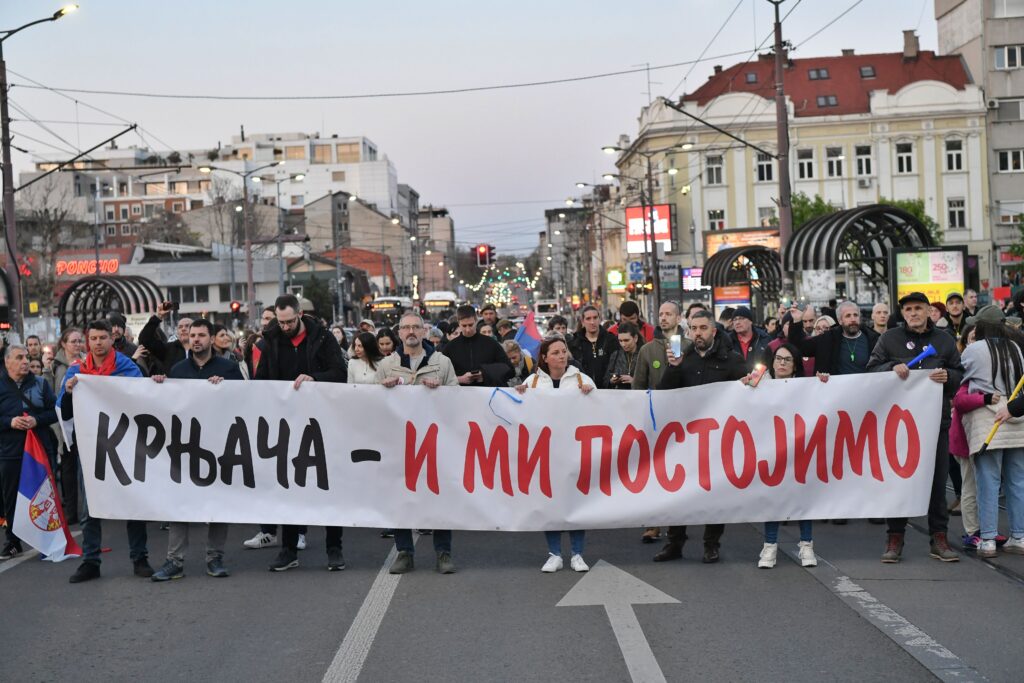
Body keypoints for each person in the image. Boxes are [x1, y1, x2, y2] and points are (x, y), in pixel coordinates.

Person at [867, 291, 963, 563]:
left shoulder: (943, 341)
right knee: (899, 480)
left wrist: (949, 377)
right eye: (908, 310)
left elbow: (959, 374)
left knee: (936, 482)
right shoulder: (889, 339)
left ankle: (939, 538)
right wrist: (891, 367)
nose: (913, 314)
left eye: (918, 309)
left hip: (935, 424)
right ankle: (895, 537)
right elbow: (871, 370)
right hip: (898, 426)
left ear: (929, 311)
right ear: (903, 314)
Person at [255, 295, 347, 572]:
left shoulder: (322, 338)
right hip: (287, 424)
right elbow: (261, 381)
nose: (285, 327)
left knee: (328, 485)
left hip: (322, 422)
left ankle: (334, 548)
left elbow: (340, 373)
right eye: (280, 322)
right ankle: (289, 549)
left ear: (299, 315)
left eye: (289, 322)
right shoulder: (270, 340)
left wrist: (314, 379)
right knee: (289, 486)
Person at [148, 319, 244, 580]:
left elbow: (246, 401)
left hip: (219, 447)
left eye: (202, 335)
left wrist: (225, 388)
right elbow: (168, 404)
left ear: (212, 338)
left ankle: (215, 558)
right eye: (192, 335)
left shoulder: (229, 368)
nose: (196, 339)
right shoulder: (178, 370)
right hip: (185, 448)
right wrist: (159, 385)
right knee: (179, 503)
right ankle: (174, 561)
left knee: (217, 504)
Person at [60, 320, 152, 583]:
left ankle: (140, 557)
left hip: (124, 446)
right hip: (90, 449)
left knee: (132, 503)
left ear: (112, 340)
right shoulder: (76, 370)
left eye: (103, 338)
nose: (98, 343)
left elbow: (141, 399)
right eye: (93, 338)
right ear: (88, 342)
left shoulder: (127, 367)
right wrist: (68, 393)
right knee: (91, 510)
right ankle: (91, 561)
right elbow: (63, 411)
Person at [656, 310, 747, 563]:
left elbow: (748, 394)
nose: (698, 333)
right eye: (693, 328)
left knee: (713, 493)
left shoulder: (732, 360)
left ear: (713, 331)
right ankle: (675, 542)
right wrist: (673, 369)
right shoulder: (684, 360)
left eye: (703, 328)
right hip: (685, 439)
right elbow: (665, 393)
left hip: (717, 440)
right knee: (678, 492)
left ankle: (711, 543)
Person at [377, 312, 459, 574]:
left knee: (439, 495)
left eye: (416, 327)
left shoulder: (442, 362)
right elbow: (370, 402)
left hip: (434, 441)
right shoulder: (387, 365)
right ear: (398, 333)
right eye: (406, 328)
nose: (411, 331)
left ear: (424, 332)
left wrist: (442, 391)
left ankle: (443, 553)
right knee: (400, 497)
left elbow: (458, 399)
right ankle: (404, 552)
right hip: (399, 442)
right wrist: (383, 388)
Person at [514, 336, 595, 572]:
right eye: (556, 352)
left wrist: (592, 394)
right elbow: (521, 414)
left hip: (575, 450)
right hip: (545, 453)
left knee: (576, 502)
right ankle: (555, 554)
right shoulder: (534, 382)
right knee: (549, 503)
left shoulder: (581, 378)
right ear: (545, 358)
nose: (561, 355)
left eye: (564, 351)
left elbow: (600, 411)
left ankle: (578, 554)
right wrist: (519, 395)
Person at [960, 306, 1024, 558]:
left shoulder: (974, 350)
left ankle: (987, 539)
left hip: (988, 420)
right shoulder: (1016, 349)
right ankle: (1019, 536)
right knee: (1017, 482)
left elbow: (961, 375)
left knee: (987, 481)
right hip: (1017, 418)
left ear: (983, 326)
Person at [749, 343, 819, 569]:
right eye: (778, 358)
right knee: (773, 498)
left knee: (802, 498)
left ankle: (806, 545)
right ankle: (770, 546)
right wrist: (744, 385)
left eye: (787, 360)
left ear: (795, 365)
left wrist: (825, 382)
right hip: (772, 450)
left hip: (799, 450)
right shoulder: (761, 383)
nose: (781, 363)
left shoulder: (806, 386)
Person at [633, 302, 693, 544]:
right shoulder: (647, 350)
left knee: (680, 472)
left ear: (678, 317)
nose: (664, 318)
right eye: (661, 314)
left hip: (685, 420)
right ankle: (653, 522)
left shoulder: (689, 347)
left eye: (669, 314)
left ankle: (677, 522)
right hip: (656, 421)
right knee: (655, 472)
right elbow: (638, 386)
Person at [0, 345, 58, 560]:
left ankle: (46, 540)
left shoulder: (41, 384)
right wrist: (9, 422)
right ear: (7, 362)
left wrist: (37, 420)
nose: (25, 361)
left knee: (43, 496)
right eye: (19, 357)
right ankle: (13, 542)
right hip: (11, 451)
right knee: (11, 499)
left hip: (40, 450)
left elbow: (54, 411)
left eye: (26, 357)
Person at [442, 305, 514, 387]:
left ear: (476, 320)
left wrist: (484, 375)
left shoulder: (491, 343)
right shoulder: (450, 347)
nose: (468, 329)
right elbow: (440, 375)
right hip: (460, 395)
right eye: (464, 326)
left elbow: (509, 370)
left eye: (470, 325)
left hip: (487, 394)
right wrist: (459, 379)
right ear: (458, 323)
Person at [568, 305, 619, 389]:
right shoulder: (575, 343)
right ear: (583, 322)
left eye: (595, 318)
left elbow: (617, 364)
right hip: (583, 391)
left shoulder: (611, 340)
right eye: (588, 319)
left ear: (599, 319)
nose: (592, 322)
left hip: (608, 391)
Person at [138, 303, 193, 372]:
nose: (183, 329)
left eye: (187, 326)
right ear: (177, 332)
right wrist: (158, 317)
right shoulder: (168, 349)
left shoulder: (202, 349)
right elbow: (145, 340)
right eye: (180, 327)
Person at [728, 306, 772, 371]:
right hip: (735, 380)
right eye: (735, 319)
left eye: (741, 318)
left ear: (750, 321)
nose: (737, 322)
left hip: (761, 379)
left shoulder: (764, 338)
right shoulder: (727, 340)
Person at [604, 322, 642, 390]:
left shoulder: (643, 355)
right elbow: (606, 380)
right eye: (620, 341)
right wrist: (611, 381)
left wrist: (634, 381)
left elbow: (652, 380)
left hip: (639, 397)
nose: (623, 344)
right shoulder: (615, 355)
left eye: (626, 340)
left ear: (635, 338)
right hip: (619, 397)